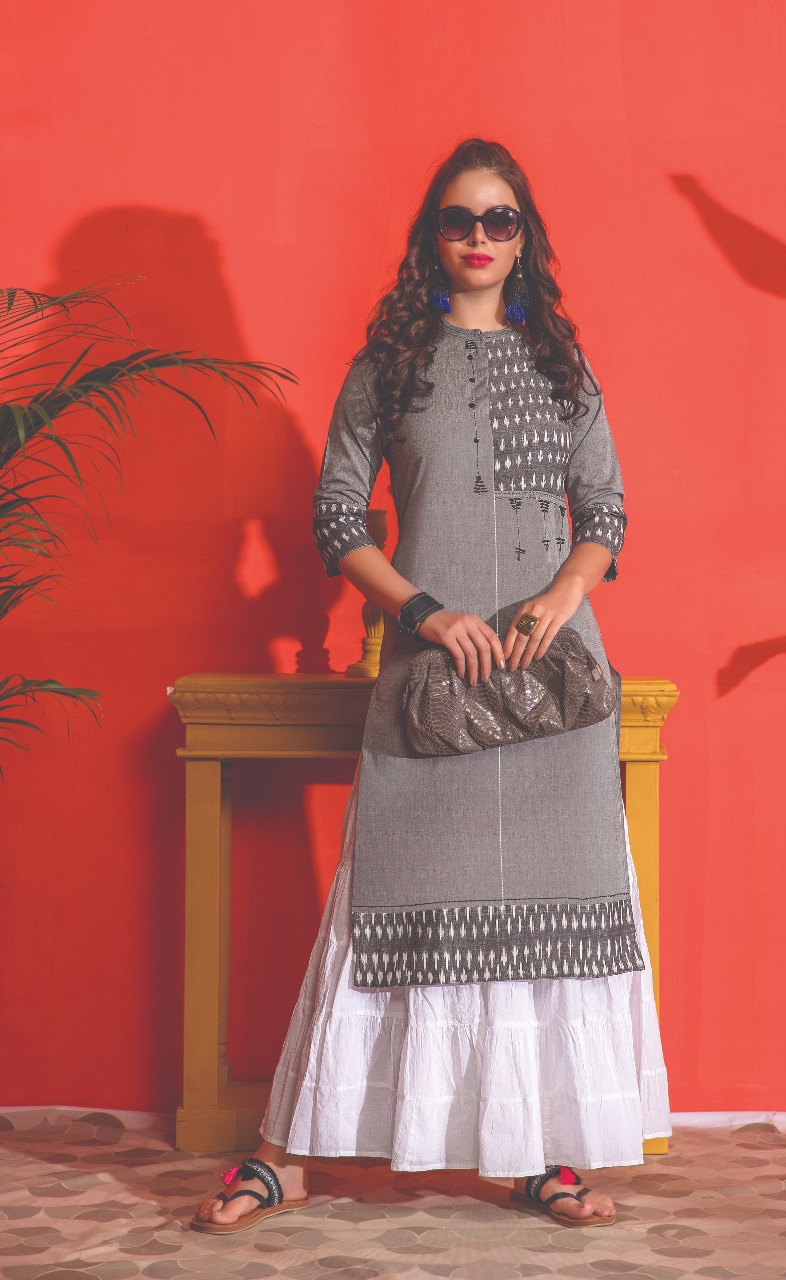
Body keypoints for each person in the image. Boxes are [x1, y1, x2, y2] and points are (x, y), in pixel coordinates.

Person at [190, 137, 671, 1236]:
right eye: (460, 218)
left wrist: (561, 595)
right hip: (431, 681)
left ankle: (541, 1157)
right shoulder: (388, 367)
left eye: (501, 219)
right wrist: (425, 613)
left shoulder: (563, 367)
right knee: (386, 907)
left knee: (549, 919)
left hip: (551, 687)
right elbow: (335, 516)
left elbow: (605, 510)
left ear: (525, 237)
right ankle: (284, 1158)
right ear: (431, 237)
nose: (480, 237)